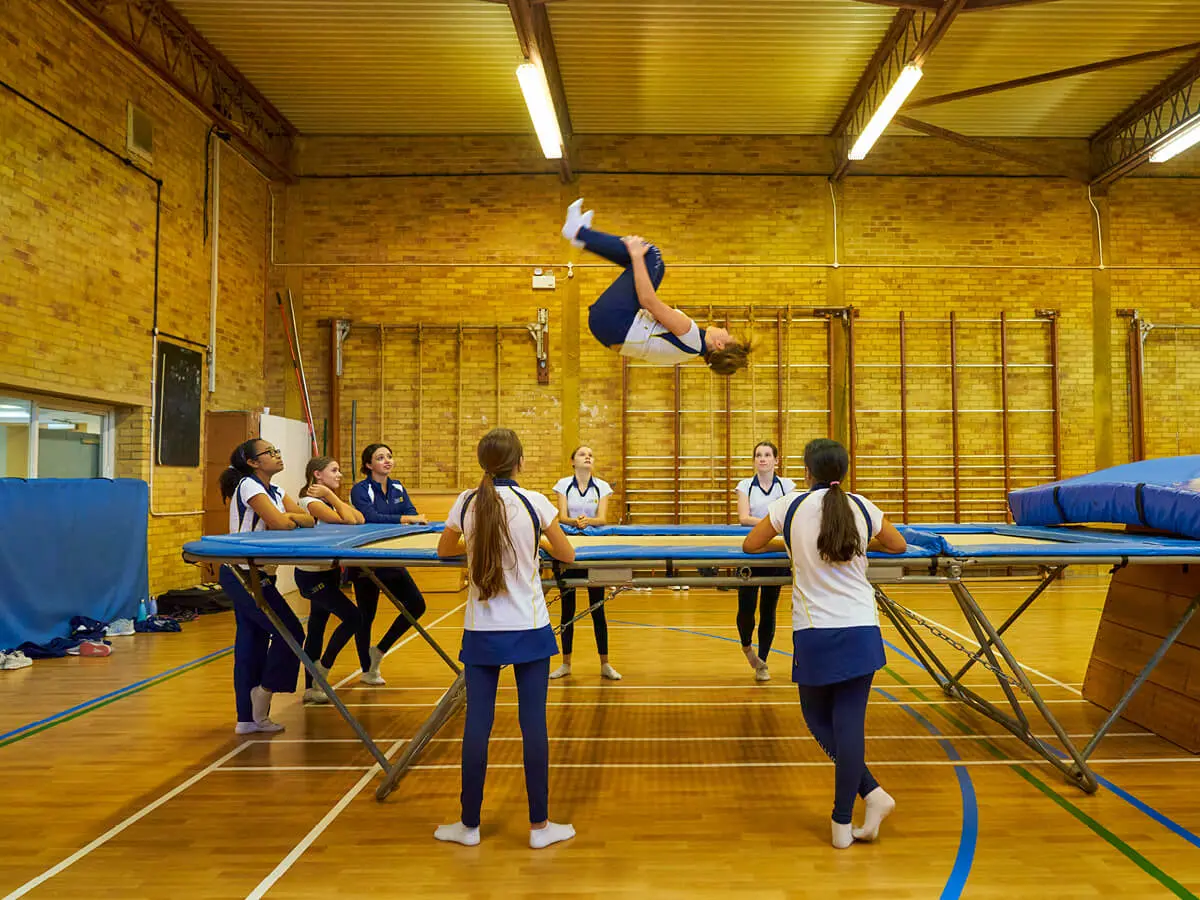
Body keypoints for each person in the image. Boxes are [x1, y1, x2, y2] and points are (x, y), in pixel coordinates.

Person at [742, 438, 906, 849]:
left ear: (807, 471)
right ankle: (857, 810)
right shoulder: (861, 507)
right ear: (844, 472)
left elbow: (750, 545)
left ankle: (855, 809)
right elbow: (898, 545)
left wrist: (791, 542)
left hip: (816, 630)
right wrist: (861, 541)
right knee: (848, 723)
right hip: (862, 627)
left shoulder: (790, 506)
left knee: (818, 719)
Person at [434, 428, 576, 849]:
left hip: (483, 629)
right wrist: (532, 544)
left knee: (478, 724)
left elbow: (444, 550)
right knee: (534, 725)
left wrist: (479, 547)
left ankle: (469, 825)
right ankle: (539, 826)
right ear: (520, 463)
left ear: (483, 463)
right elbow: (567, 554)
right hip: (528, 626)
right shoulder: (535, 502)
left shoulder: (467, 502)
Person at [561, 199, 750, 374]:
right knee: (657, 267)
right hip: (611, 331)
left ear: (719, 344)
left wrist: (636, 256)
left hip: (614, 322)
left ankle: (578, 232)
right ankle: (584, 238)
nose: (725, 330)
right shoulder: (690, 350)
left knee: (651, 254)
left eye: (728, 335)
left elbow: (648, 300)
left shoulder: (689, 332)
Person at [217, 438, 313, 734]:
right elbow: (281, 524)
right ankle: (264, 691)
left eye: (277, 450)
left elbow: (308, 520)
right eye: (269, 452)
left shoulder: (277, 491)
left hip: (263, 575)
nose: (277, 455)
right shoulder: (248, 485)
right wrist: (287, 519)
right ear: (253, 462)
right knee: (291, 631)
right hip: (242, 574)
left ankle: (248, 719)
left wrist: (288, 517)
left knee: (252, 642)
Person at [349, 443, 429, 684]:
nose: (387, 461)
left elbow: (413, 512)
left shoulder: (397, 487)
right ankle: (367, 670)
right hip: (366, 559)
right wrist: (405, 519)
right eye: (380, 457)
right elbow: (371, 518)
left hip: (392, 558)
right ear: (368, 464)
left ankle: (380, 650)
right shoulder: (360, 490)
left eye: (389, 457)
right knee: (366, 616)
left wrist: (410, 518)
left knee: (417, 605)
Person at [294, 456, 367, 704]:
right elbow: (348, 521)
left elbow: (360, 519)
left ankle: (311, 687)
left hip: (329, 571)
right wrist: (332, 497)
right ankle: (322, 670)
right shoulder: (310, 502)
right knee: (354, 617)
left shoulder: (327, 501)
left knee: (317, 625)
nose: (339, 475)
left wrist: (332, 497)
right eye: (334, 470)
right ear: (317, 474)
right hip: (311, 575)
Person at [550, 445, 620, 681]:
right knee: (567, 608)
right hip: (569, 548)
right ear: (573, 461)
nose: (588, 457)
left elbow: (602, 519)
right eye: (582, 454)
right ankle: (566, 663)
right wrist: (575, 522)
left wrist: (587, 521)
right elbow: (561, 517)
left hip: (593, 550)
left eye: (591, 454)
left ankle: (605, 663)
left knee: (597, 608)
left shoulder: (602, 487)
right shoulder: (563, 485)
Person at [735, 441, 795, 682]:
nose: (762, 458)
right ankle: (747, 647)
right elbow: (743, 517)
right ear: (754, 461)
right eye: (758, 455)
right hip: (750, 551)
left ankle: (763, 661)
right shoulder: (745, 486)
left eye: (767, 455)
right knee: (746, 608)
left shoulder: (787, 486)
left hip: (774, 552)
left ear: (776, 460)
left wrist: (765, 524)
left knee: (768, 609)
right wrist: (772, 524)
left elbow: (790, 516)